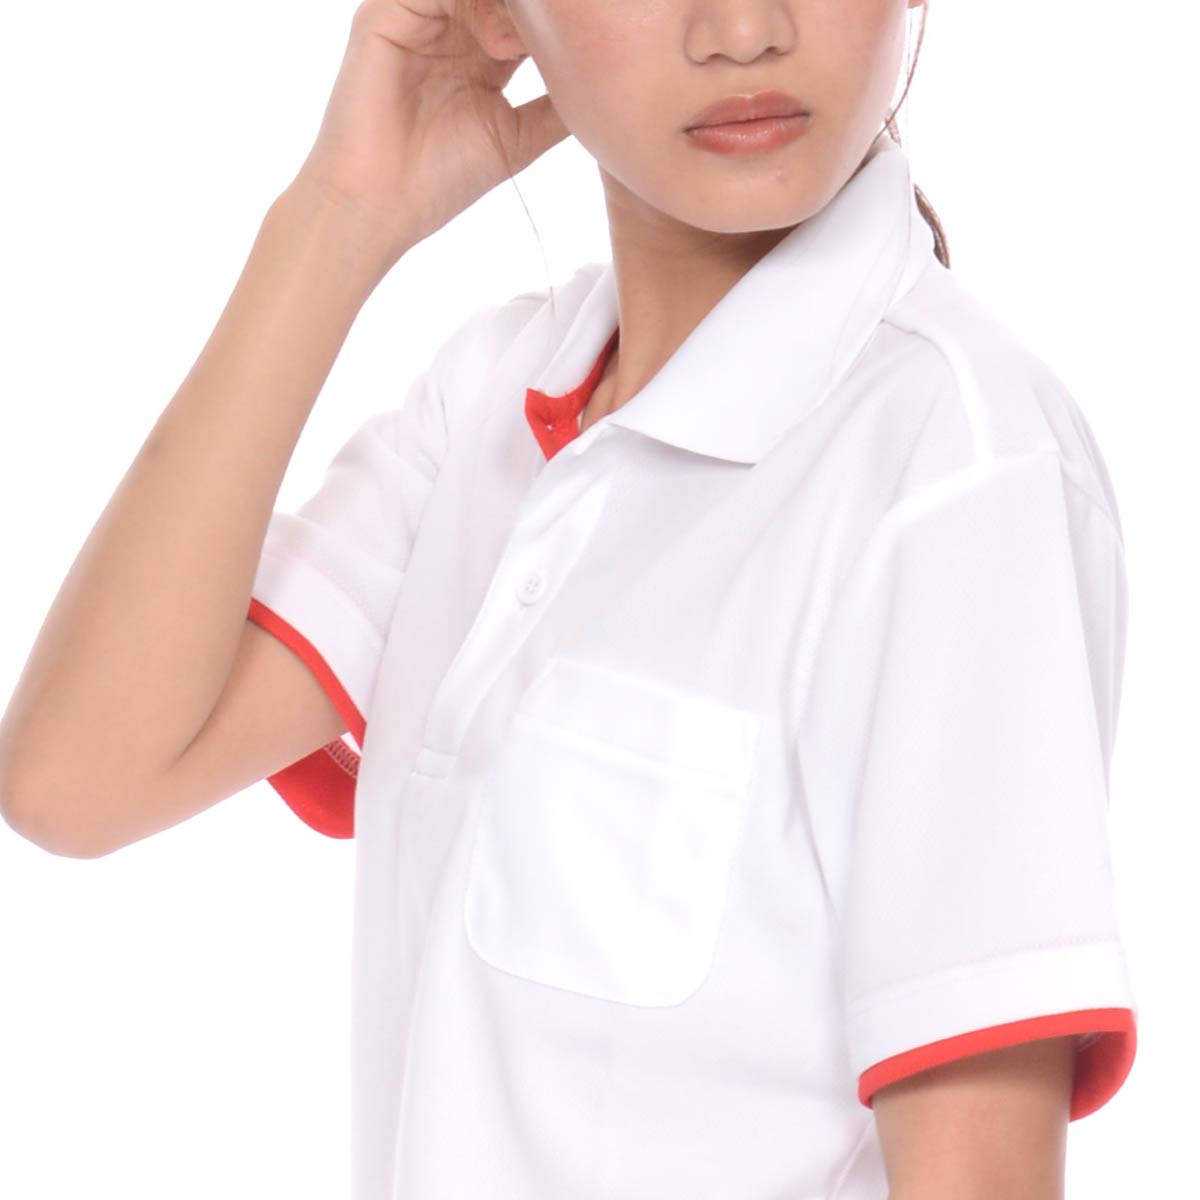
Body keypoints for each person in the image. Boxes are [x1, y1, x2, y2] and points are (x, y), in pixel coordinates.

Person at [0, 1, 1138, 1196]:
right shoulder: (489, 402)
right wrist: (340, 217)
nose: (742, 29)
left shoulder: (955, 464)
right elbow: (76, 783)